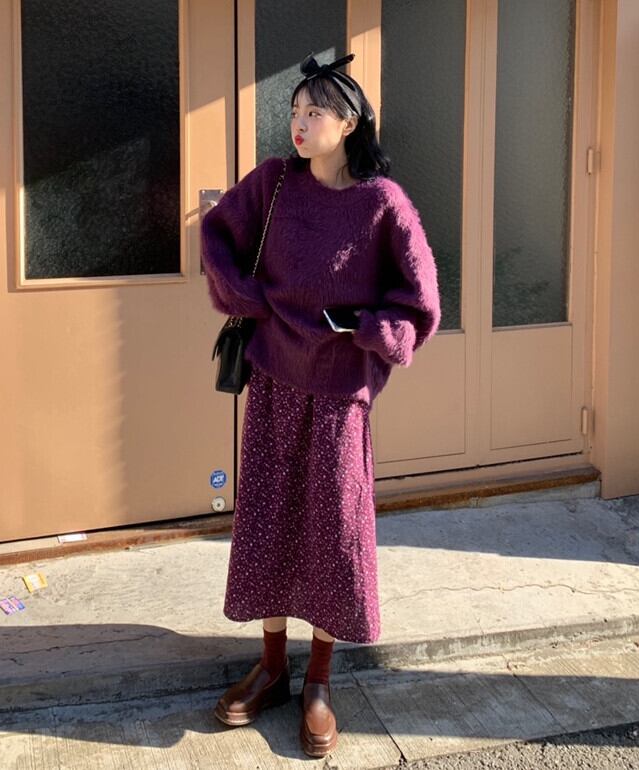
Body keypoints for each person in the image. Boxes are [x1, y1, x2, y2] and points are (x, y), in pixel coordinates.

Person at [200, 51, 441, 758]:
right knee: (269, 522)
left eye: (315, 113)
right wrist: (246, 298)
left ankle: (320, 681)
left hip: (340, 395)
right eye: (295, 112)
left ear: (351, 123)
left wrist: (370, 330)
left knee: (334, 533)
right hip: (275, 382)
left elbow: (419, 301)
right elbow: (217, 235)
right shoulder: (274, 182)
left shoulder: (383, 203)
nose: (299, 125)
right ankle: (273, 667)